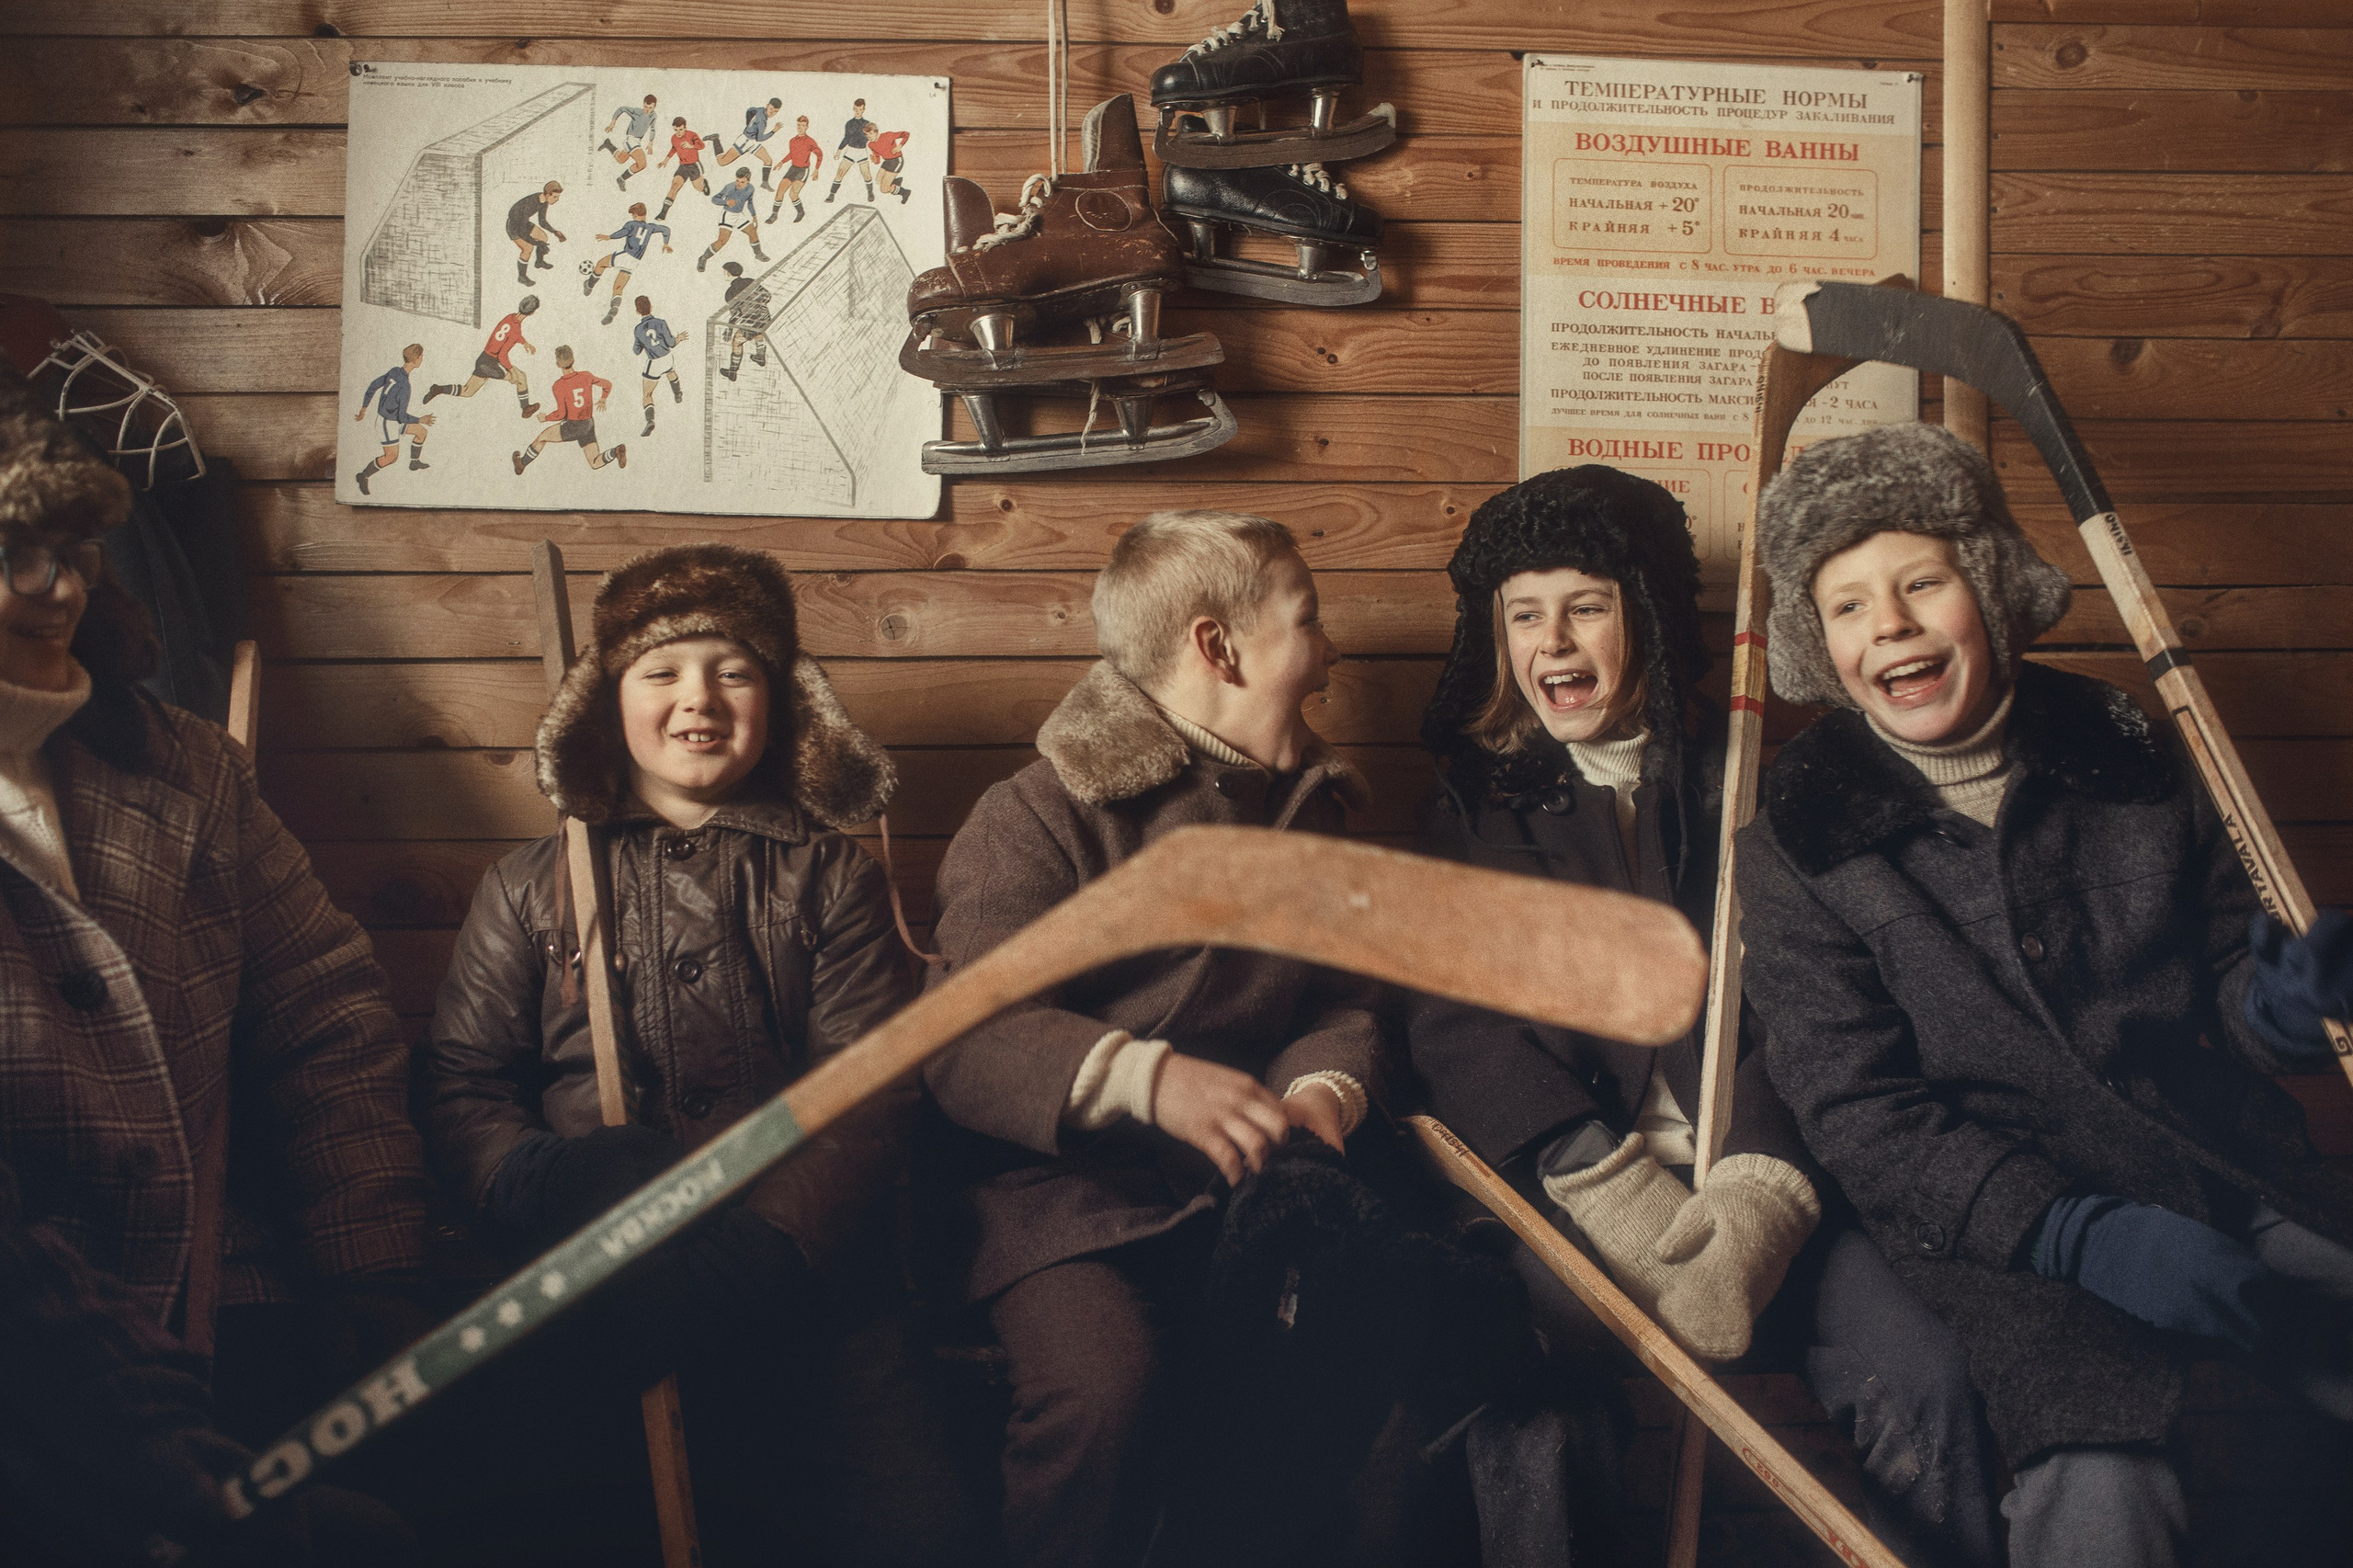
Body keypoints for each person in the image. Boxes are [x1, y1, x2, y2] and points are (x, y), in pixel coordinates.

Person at [1735, 421, 2353, 1567]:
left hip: (2221, 1163)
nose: (1894, 625)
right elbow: (1863, 1117)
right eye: (1850, 604)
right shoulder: (1799, 843)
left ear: (1993, 587)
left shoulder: (2130, 752)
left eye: (1922, 581)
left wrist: (2277, 1006)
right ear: (1818, 647)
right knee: (2102, 1476)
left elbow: (2223, 978)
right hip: (2006, 1227)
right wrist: (2081, 1234)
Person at [1410, 465, 2003, 1567]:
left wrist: (1760, 1186)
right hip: (1574, 1208)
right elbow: (1460, 1025)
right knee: (1515, 1375)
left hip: (1773, 1190)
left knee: (1926, 1361)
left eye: (1585, 606)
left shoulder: (1760, 790)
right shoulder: (1474, 810)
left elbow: (1829, 1006)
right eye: (1524, 615)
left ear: (1640, 615)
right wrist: (1601, 1179)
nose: (1555, 642)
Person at [424, 542, 982, 1567]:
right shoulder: (526, 886)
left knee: (917, 1534)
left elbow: (864, 1096)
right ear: (606, 702)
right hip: (589, 1284)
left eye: (734, 671)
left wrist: (753, 1254)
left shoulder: (831, 879)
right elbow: (463, 1081)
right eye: (662, 673)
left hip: (812, 1290)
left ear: (780, 700)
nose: (701, 700)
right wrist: (544, 1177)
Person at [0, 368, 429, 1561]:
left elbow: (324, 1012)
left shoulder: (186, 766)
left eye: (75, 552)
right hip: (33, 1389)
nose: (62, 592)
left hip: (223, 1303)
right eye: (21, 554)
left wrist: (369, 1257)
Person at [921, 510, 1392, 1568]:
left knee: (1332, 1364)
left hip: (1244, 1187)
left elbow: (1342, 1001)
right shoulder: (1040, 813)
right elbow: (962, 1033)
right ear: (1218, 645)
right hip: (1059, 1199)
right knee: (1106, 1384)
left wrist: (1324, 1089)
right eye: (1308, 620)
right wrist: (1149, 1079)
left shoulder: (1312, 814)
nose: (1330, 650)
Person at [512, 345, 622, 475]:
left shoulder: (558, 385)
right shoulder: (586, 376)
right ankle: (615, 452)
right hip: (588, 424)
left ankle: (522, 464)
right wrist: (603, 398)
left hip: (572, 426)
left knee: (542, 438)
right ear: (573, 360)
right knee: (594, 462)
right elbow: (607, 385)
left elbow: (561, 414)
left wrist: (545, 418)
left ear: (558, 364)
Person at [423, 294, 539, 417]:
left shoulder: (509, 317)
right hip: (492, 363)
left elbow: (511, 335)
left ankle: (438, 389)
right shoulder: (516, 330)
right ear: (532, 313)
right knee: (520, 377)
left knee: (468, 391)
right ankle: (525, 408)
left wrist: (524, 342)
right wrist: (511, 371)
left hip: (483, 359)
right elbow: (503, 355)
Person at [351, 343, 433, 495]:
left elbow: (373, 386)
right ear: (415, 360)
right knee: (391, 457)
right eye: (421, 356)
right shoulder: (405, 386)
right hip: (387, 422)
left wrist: (364, 408)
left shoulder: (395, 371)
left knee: (421, 432)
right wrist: (420, 419)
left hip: (393, 418)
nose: (422, 359)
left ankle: (414, 463)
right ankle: (363, 476)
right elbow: (402, 417)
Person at [583, 202, 671, 326]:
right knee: (618, 288)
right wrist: (666, 243)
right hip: (634, 262)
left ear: (635, 215)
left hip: (626, 255)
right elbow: (666, 230)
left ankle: (590, 284)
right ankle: (613, 310)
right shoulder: (651, 227)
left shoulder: (631, 224)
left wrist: (609, 237)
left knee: (601, 264)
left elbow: (623, 232)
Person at [699, 167, 767, 270]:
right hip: (728, 215)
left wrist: (754, 216)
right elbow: (714, 199)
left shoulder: (751, 189)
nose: (739, 184)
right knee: (722, 241)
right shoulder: (730, 187)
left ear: (748, 181)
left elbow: (750, 203)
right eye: (737, 181)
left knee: (753, 232)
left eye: (742, 182)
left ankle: (758, 254)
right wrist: (726, 202)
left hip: (739, 215)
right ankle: (703, 258)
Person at [631, 296, 679, 437]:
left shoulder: (638, 329)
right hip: (667, 357)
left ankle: (650, 420)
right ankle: (678, 393)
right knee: (671, 371)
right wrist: (679, 338)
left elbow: (636, 351)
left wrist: (642, 342)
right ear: (651, 307)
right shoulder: (661, 323)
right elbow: (671, 343)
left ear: (637, 311)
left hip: (655, 362)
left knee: (647, 394)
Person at [506, 180, 565, 288]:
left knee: (543, 237)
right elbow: (522, 232)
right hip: (514, 227)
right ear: (548, 195)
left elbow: (542, 221)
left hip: (523, 224)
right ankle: (522, 277)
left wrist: (554, 231)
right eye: (555, 197)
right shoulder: (529, 204)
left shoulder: (543, 201)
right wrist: (537, 243)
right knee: (528, 248)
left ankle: (539, 262)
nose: (557, 200)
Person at [714, 98, 785, 187]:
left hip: (752, 142)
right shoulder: (762, 120)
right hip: (745, 141)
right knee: (721, 162)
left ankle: (765, 183)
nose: (772, 113)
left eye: (775, 111)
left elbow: (750, 110)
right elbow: (760, 138)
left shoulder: (760, 109)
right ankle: (715, 139)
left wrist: (749, 124)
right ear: (767, 106)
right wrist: (774, 131)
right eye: (771, 109)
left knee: (768, 160)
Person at [767, 114, 824, 224]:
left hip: (803, 170)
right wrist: (781, 162)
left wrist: (817, 169)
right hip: (793, 169)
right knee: (780, 191)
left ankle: (800, 212)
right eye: (798, 125)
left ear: (807, 127)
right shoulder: (792, 141)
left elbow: (820, 154)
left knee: (793, 193)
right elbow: (792, 154)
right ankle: (774, 215)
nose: (800, 128)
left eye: (803, 125)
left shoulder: (810, 141)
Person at [654, 118, 710, 222]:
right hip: (683, 166)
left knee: (699, 188)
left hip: (694, 165)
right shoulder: (674, 138)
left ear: (685, 127)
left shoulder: (692, 135)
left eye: (680, 129)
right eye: (676, 130)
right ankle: (663, 212)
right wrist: (666, 159)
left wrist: (691, 146)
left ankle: (703, 185)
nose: (678, 132)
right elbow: (674, 148)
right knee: (674, 186)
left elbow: (702, 145)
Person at [599, 93, 659, 187]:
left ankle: (608, 144)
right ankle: (621, 179)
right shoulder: (637, 112)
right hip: (631, 140)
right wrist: (613, 122)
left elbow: (652, 128)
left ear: (654, 107)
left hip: (638, 141)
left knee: (621, 160)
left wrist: (651, 142)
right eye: (645, 107)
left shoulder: (654, 115)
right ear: (643, 104)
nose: (647, 110)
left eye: (650, 108)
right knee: (642, 164)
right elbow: (621, 108)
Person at [826, 99, 878, 203]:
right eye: (856, 109)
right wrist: (839, 150)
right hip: (851, 150)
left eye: (860, 109)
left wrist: (875, 153)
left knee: (866, 173)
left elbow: (872, 139)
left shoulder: (867, 124)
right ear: (853, 109)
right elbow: (846, 138)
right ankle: (832, 194)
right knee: (840, 172)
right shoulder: (849, 123)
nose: (858, 111)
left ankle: (870, 192)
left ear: (863, 110)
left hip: (862, 151)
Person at [870, 125, 911, 204]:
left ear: (876, 132)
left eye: (871, 134)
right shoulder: (871, 144)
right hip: (887, 162)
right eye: (867, 135)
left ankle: (905, 192)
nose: (869, 137)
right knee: (878, 181)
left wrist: (900, 146)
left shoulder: (888, 135)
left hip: (896, 161)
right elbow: (877, 161)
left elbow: (906, 134)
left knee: (884, 189)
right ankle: (895, 182)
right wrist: (874, 160)